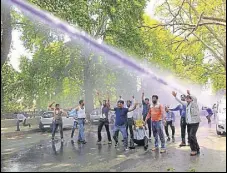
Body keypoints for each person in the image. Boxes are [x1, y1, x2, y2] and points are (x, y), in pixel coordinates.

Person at [173, 90, 201, 156]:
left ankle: (194, 150)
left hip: (195, 122)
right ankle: (196, 148)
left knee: (191, 135)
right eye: (187, 98)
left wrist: (190, 94)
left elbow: (195, 98)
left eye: (189, 98)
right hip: (189, 123)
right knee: (192, 136)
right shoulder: (186, 105)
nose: (187, 99)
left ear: (191, 99)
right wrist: (175, 97)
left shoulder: (194, 103)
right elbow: (180, 101)